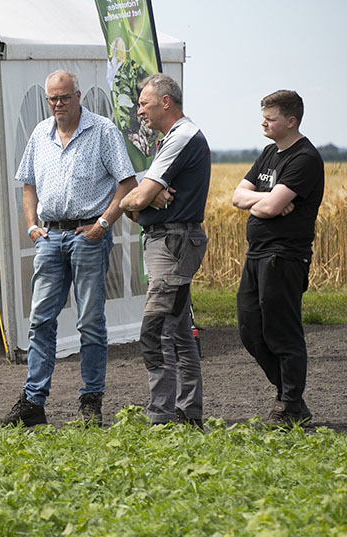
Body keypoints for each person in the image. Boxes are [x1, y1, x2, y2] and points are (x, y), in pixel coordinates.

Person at [0, 70, 136, 428]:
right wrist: (31, 225)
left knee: (90, 320)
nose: (58, 105)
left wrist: (103, 224)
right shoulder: (40, 134)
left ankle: (91, 401)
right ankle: (32, 401)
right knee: (40, 320)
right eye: (52, 99)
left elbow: (127, 184)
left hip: (88, 234)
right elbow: (27, 183)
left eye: (64, 97)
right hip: (50, 236)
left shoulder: (103, 130)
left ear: (78, 97)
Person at [119, 73, 211, 428]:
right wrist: (141, 198)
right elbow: (138, 202)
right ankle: (189, 413)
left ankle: (161, 417)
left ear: (165, 102)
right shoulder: (173, 139)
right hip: (170, 240)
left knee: (156, 331)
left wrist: (141, 197)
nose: (139, 111)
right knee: (179, 331)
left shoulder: (181, 137)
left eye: (144, 103)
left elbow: (137, 199)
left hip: (172, 243)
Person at [231, 90, 324, 425]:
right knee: (249, 329)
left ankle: (289, 404)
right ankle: (290, 397)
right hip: (256, 255)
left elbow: (263, 204)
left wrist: (265, 201)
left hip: (284, 257)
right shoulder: (270, 153)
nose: (263, 123)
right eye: (263, 117)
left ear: (291, 120)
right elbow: (236, 196)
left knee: (282, 332)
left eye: (269, 119)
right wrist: (270, 198)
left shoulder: (305, 158)